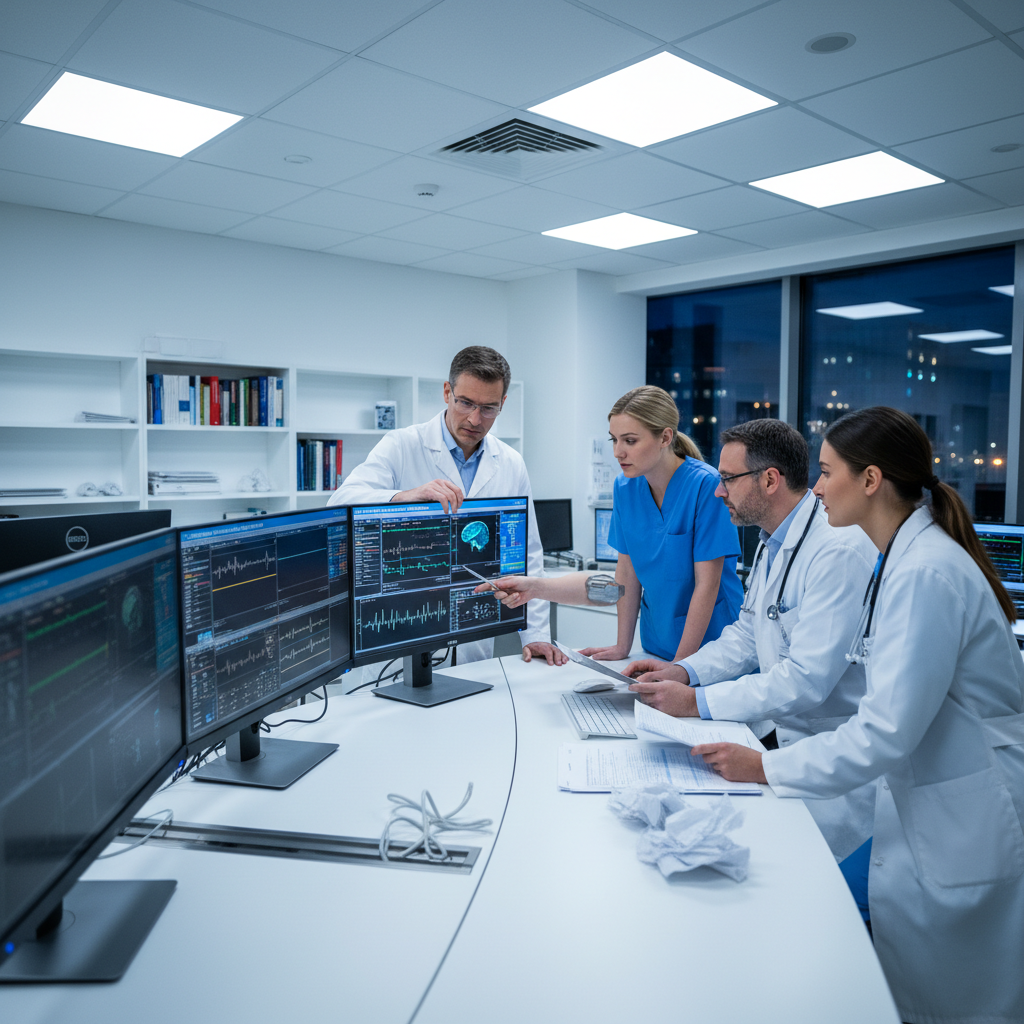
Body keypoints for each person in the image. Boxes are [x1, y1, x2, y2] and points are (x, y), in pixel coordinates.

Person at [690, 407, 1024, 1024]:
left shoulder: (925, 572)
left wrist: (764, 767)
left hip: (965, 815)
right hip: (926, 803)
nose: (815, 488)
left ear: (870, 480)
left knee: (959, 1002)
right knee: (914, 992)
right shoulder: (900, 558)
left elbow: (883, 732)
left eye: (825, 472)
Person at [621, 419, 878, 872]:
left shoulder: (836, 550)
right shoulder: (773, 541)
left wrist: (695, 702)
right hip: (783, 739)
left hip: (830, 758)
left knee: (800, 882)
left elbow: (807, 680)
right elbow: (745, 633)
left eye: (727, 479)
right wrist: (683, 672)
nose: (719, 492)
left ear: (770, 480)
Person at [329, 346, 564, 666]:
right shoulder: (402, 445)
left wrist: (535, 634)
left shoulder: (510, 462)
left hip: (474, 634)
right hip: (401, 632)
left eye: (488, 408)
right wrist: (403, 496)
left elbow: (529, 555)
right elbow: (341, 500)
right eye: (465, 402)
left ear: (503, 404)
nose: (474, 418)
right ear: (446, 392)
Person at [581, 386, 743, 663]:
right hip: (657, 641)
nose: (618, 452)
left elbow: (708, 584)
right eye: (614, 440)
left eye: (630, 441)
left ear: (665, 437)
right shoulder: (625, 486)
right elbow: (627, 570)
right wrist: (623, 647)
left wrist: (680, 668)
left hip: (712, 647)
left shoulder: (706, 485)